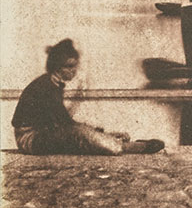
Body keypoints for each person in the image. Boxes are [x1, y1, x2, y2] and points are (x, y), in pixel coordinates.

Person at [12, 39, 164, 155]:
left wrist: (97, 132)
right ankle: (127, 147)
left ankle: (111, 141)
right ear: (57, 67)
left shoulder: (53, 83)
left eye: (75, 66)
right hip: (30, 139)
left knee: (79, 132)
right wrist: (94, 132)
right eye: (69, 66)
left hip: (41, 133)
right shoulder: (45, 87)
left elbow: (61, 120)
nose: (74, 71)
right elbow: (65, 124)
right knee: (78, 134)